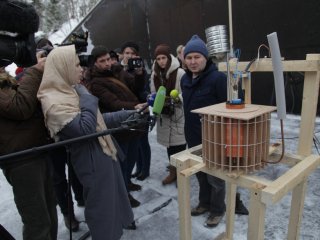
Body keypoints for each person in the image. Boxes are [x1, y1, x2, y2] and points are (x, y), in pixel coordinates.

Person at [37, 45, 134, 239]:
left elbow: (99, 120)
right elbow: (85, 129)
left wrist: (130, 114)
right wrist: (88, 97)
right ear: (62, 68)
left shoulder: (71, 91)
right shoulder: (54, 101)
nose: (81, 69)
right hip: (93, 162)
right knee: (102, 213)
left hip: (105, 154)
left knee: (112, 206)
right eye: (75, 65)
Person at [181, 35, 248, 228]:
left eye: (197, 57)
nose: (193, 62)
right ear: (184, 60)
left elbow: (235, 103)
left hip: (215, 138)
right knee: (200, 173)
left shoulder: (218, 78)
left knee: (216, 177)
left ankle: (218, 210)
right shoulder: (185, 80)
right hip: (192, 135)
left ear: (205, 58)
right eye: (189, 57)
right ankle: (204, 203)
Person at [0, 55, 58, 239]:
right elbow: (21, 107)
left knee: (49, 213)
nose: (2, 69)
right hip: (21, 161)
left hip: (35, 152)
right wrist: (34, 71)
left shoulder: (6, 84)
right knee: (38, 222)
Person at [88, 45, 146, 208]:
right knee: (121, 162)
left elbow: (136, 86)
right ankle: (123, 195)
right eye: (102, 61)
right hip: (119, 127)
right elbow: (114, 103)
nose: (107, 63)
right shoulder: (96, 83)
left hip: (133, 122)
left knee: (132, 158)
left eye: (108, 59)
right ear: (95, 63)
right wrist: (136, 106)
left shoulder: (118, 70)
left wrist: (139, 73)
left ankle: (127, 182)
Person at [150, 44, 186, 185]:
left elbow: (185, 93)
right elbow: (154, 93)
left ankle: (182, 175)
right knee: (169, 146)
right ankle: (173, 173)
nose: (161, 61)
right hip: (163, 116)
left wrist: (176, 99)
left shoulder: (180, 73)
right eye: (158, 58)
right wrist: (152, 100)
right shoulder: (155, 75)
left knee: (180, 147)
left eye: (163, 57)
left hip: (177, 114)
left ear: (169, 57)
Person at [120, 41, 152, 181]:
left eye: (133, 53)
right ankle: (138, 168)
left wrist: (139, 72)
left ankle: (145, 169)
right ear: (122, 54)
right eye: (127, 53)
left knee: (142, 141)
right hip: (128, 110)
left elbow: (142, 89)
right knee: (134, 143)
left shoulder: (141, 71)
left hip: (141, 108)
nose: (130, 56)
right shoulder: (118, 70)